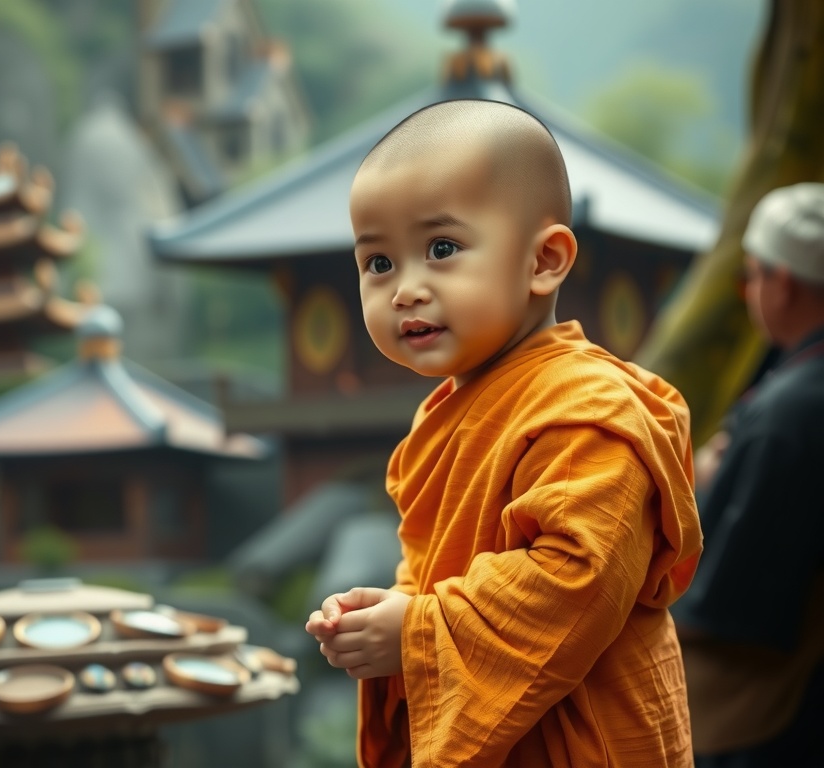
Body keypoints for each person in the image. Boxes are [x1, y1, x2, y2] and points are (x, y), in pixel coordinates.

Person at [304, 98, 704, 768]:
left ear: (544, 260)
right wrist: (394, 607)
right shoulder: (445, 412)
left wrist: (417, 632)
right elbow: (444, 562)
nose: (404, 290)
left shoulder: (584, 405)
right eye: (378, 263)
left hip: (583, 739)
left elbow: (577, 579)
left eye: (441, 249)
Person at [671, 182, 824, 768]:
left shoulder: (790, 414)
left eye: (752, 276)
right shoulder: (794, 391)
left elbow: (733, 600)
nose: (749, 291)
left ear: (781, 282)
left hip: (768, 709)